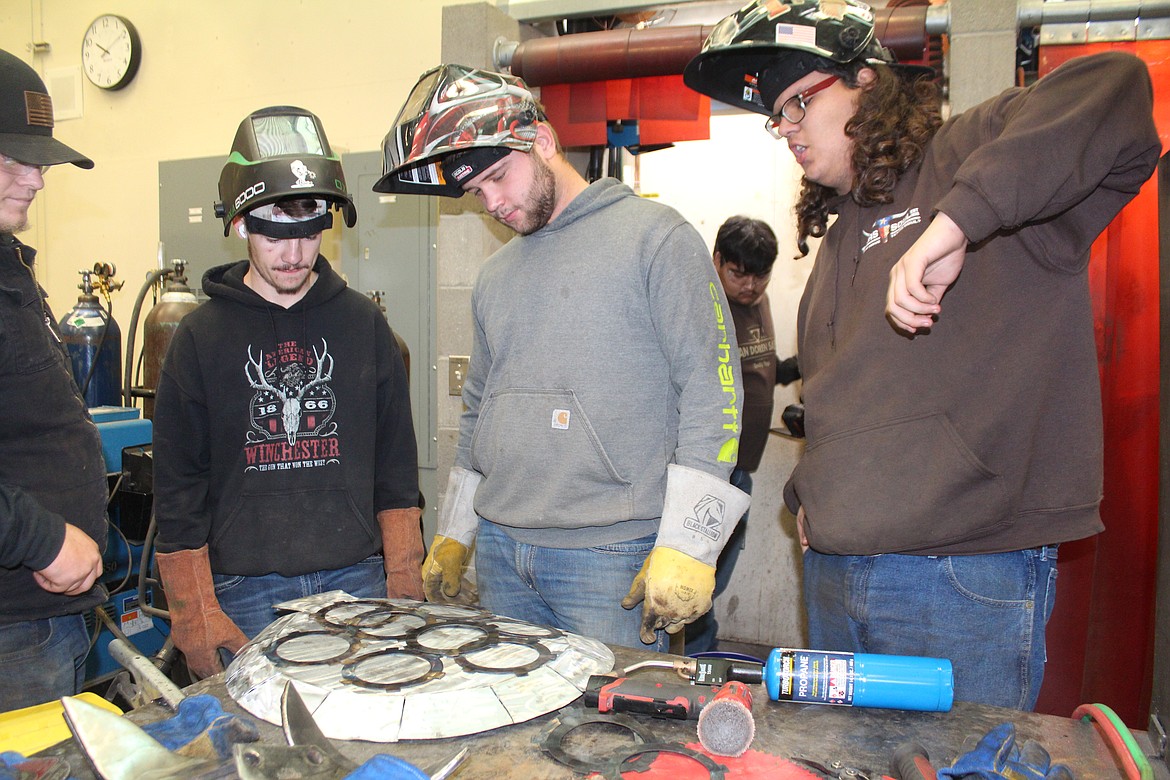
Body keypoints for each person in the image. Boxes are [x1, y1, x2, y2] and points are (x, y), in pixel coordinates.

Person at [684, 0, 1160, 707]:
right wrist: (807, 494)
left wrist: (959, 222)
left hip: (959, 574)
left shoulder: (963, 160)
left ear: (867, 83)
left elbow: (1115, 89)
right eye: (775, 115)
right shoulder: (842, 237)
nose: (785, 129)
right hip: (837, 571)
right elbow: (845, 401)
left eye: (798, 104)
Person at [375, 64, 749, 650]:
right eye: (477, 193)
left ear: (543, 141)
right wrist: (455, 531)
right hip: (501, 551)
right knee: (517, 731)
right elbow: (478, 411)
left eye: (499, 177)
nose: (492, 204)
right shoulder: (494, 276)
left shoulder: (658, 238)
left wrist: (688, 543)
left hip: (610, 555)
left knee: (609, 734)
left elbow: (714, 391)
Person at [153, 106, 424, 679]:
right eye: (277, 236)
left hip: (357, 581)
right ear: (242, 224)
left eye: (308, 234)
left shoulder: (364, 326)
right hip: (247, 592)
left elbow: (396, 462)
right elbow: (179, 485)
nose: (295, 254)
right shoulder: (199, 339)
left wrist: (402, 569)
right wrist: (195, 606)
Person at [0, 48, 105, 711]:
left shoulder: (9, 263)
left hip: (37, 619)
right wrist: (39, 538)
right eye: (16, 160)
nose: (37, 180)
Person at [685, 216, 800, 654]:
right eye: (738, 274)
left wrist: (802, 365)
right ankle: (696, 661)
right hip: (710, 471)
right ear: (717, 261)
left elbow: (757, 371)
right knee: (696, 577)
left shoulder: (756, 303)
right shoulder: (704, 305)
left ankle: (700, 655)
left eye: (761, 275)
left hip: (742, 468)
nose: (751, 286)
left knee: (714, 573)